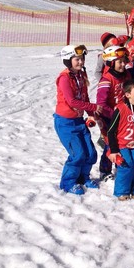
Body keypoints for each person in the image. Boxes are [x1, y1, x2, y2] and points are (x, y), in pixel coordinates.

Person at [54, 44, 102, 195]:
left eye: (82, 59)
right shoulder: (64, 78)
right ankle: (68, 183)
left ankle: (83, 177)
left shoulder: (81, 75)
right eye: (77, 59)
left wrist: (90, 113)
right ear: (68, 60)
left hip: (78, 120)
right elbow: (72, 101)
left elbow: (84, 97)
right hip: (65, 123)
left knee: (90, 152)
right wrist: (93, 107)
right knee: (78, 154)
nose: (81, 62)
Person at [107, 80, 134, 201]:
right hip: (122, 145)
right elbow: (111, 131)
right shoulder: (120, 109)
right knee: (127, 166)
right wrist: (114, 150)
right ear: (128, 94)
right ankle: (122, 191)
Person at [95, 44, 131, 181]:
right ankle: (105, 170)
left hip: (124, 116)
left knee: (124, 141)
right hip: (109, 117)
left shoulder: (126, 75)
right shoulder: (106, 79)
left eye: (124, 61)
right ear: (111, 63)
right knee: (111, 143)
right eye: (119, 62)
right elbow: (102, 104)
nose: (123, 65)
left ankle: (121, 164)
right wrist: (116, 114)